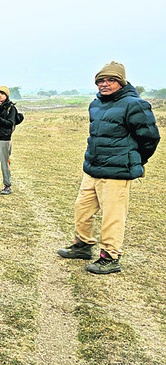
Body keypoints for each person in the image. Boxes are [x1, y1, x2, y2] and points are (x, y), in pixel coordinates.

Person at [57, 61, 160, 274]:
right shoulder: (96, 104)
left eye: (111, 80)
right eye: (101, 80)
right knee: (82, 210)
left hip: (117, 172)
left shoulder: (134, 104)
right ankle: (83, 245)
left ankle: (111, 257)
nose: (105, 84)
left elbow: (150, 138)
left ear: (121, 82)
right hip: (93, 169)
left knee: (112, 216)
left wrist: (136, 160)